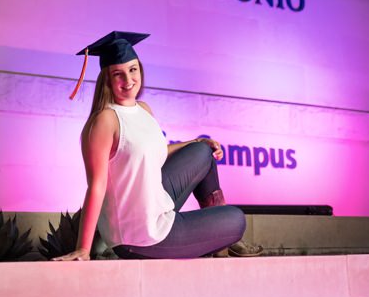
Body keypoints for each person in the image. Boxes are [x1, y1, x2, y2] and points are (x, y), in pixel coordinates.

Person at [51, 32, 255, 261]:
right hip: (142, 237)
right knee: (236, 218)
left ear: (140, 69)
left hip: (155, 208)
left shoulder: (144, 110)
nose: (128, 80)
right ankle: (220, 238)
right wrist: (83, 249)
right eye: (118, 74)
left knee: (203, 152)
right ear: (107, 79)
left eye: (133, 70)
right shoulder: (105, 121)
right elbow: (96, 186)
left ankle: (218, 242)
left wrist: (195, 142)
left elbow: (151, 155)